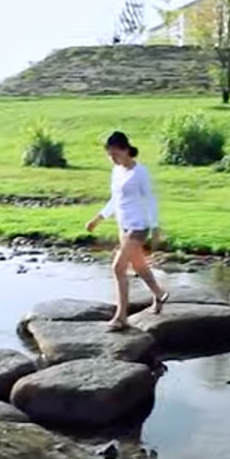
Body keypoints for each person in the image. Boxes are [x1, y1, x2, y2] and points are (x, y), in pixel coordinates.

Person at [85, 131, 168, 331]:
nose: (112, 158)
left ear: (125, 150)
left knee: (118, 268)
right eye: (109, 155)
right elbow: (115, 200)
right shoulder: (117, 171)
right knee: (138, 265)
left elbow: (150, 200)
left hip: (138, 227)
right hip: (123, 226)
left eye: (115, 154)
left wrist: (155, 228)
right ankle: (159, 294)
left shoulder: (140, 172)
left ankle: (121, 316)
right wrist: (97, 219)